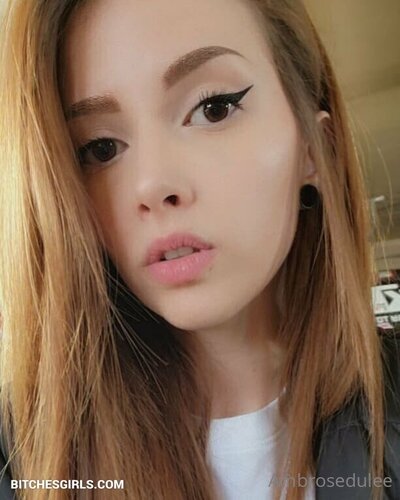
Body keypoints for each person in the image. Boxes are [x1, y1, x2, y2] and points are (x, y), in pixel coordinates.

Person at [0, 0, 399, 499]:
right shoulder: (22, 458)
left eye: (214, 108)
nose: (152, 184)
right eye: (100, 148)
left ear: (317, 150)